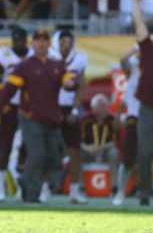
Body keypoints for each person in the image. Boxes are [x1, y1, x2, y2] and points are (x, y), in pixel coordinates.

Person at [0, 29, 76, 203]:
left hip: (52, 118)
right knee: (37, 154)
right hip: (30, 117)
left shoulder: (57, 65)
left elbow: (69, 81)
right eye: (37, 40)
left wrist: (70, 84)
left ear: (49, 44)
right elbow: (8, 91)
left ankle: (30, 183)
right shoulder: (24, 66)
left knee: (54, 157)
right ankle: (31, 191)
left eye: (44, 40)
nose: (41, 43)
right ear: (33, 43)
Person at [0, 26, 31, 202]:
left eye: (21, 40)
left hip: (30, 107)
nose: (18, 43)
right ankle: (0, 184)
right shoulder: (3, 54)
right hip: (10, 107)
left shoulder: (34, 55)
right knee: (5, 147)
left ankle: (26, 186)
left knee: (29, 149)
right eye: (15, 40)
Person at [48, 30, 88, 204]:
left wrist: (74, 111)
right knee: (47, 151)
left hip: (69, 107)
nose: (65, 44)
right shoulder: (49, 57)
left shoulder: (79, 59)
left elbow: (81, 85)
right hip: (52, 108)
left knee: (74, 151)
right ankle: (44, 189)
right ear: (57, 42)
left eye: (68, 41)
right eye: (62, 41)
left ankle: (74, 190)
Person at [130, 0, 153, 206]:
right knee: (145, 151)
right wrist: (135, 3)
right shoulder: (148, 47)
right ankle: (145, 192)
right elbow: (139, 24)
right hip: (148, 106)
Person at [114, 45, 140, 206]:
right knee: (128, 158)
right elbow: (123, 60)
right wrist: (136, 47)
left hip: (152, 115)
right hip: (134, 115)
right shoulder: (134, 63)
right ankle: (120, 192)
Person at [80, 94, 119, 195]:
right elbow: (79, 140)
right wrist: (88, 148)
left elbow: (114, 141)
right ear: (93, 107)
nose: (102, 108)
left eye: (104, 106)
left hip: (106, 149)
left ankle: (114, 187)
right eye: (100, 106)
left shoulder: (111, 120)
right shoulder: (85, 120)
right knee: (77, 154)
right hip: (89, 150)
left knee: (114, 153)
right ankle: (80, 187)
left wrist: (100, 148)